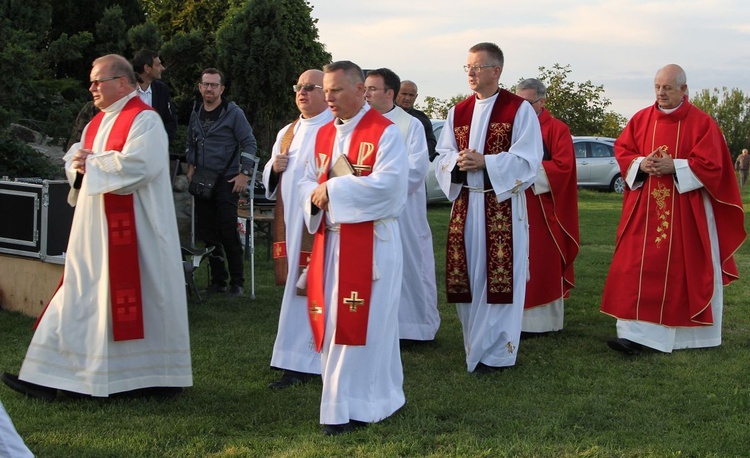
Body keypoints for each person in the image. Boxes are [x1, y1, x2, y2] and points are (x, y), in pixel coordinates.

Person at [1, 54, 192, 399]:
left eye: (97, 81)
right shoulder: (95, 124)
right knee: (80, 298)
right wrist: (78, 165)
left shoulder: (145, 121)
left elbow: (141, 166)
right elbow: (76, 162)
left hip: (137, 236)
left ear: (121, 82)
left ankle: (154, 379)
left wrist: (91, 163)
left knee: (124, 302)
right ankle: (54, 378)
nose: (91, 88)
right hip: (93, 234)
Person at [601, 64, 745, 355]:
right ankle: (633, 334)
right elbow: (623, 150)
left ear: (684, 89)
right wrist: (640, 164)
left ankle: (681, 338)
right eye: (657, 86)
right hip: (644, 210)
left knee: (680, 270)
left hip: (685, 213)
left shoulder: (703, 123)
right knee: (635, 267)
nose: (660, 93)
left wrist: (676, 165)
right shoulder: (641, 119)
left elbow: (714, 167)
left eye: (667, 87)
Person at [299, 60, 408, 435]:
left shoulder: (386, 132)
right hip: (331, 244)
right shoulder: (324, 134)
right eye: (325, 90)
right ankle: (372, 398)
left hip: (372, 246)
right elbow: (305, 183)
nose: (328, 97)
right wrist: (315, 197)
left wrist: (333, 190)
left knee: (367, 326)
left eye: (337, 90)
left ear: (361, 90)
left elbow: (391, 188)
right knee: (336, 326)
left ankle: (351, 407)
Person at [434, 42, 543, 374]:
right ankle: (473, 344)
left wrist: (486, 162)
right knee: (467, 276)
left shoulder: (518, 110)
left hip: (502, 207)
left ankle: (498, 353)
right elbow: (441, 155)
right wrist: (456, 161)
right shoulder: (458, 111)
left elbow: (528, 160)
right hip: (467, 203)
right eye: (467, 66)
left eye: (477, 67)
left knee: (499, 280)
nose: (470, 72)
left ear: (496, 71)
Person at [263, 69, 332, 389]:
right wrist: (272, 169)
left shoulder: (333, 128)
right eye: (298, 87)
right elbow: (273, 172)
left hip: (321, 225)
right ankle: (294, 358)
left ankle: (310, 360)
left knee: (315, 288)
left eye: (310, 87)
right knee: (297, 289)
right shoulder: (287, 131)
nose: (302, 93)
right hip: (290, 224)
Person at [365, 68, 440, 343]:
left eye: (372, 88)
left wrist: (375, 184)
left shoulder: (410, 125)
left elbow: (416, 168)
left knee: (410, 264)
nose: (366, 94)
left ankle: (414, 328)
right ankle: (376, 324)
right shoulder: (360, 123)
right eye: (365, 88)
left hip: (402, 212)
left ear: (390, 93)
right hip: (365, 209)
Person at [515, 78, 580, 335]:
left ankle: (543, 323)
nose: (522, 108)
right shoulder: (511, 127)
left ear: (542, 101)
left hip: (542, 206)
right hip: (513, 200)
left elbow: (564, 167)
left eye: (527, 103)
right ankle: (513, 318)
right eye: (518, 102)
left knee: (542, 261)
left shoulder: (556, 129)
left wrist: (525, 171)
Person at [186, 68, 257, 297]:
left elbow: (249, 143)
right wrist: (190, 165)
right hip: (202, 180)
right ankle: (218, 281)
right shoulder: (196, 109)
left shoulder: (233, 112)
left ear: (222, 89)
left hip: (227, 180)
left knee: (227, 231)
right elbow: (191, 140)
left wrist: (244, 173)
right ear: (200, 87)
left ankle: (237, 283)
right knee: (207, 233)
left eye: (214, 85)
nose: (209, 88)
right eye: (205, 84)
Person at [133, 49, 178, 147]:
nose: (162, 68)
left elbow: (170, 121)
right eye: (158, 65)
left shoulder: (162, 90)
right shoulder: (127, 91)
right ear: (147, 68)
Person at [397, 80, 438, 161]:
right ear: (396, 93)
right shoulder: (386, 115)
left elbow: (431, 144)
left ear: (416, 97)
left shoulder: (422, 119)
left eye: (411, 95)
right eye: (404, 94)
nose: (407, 98)